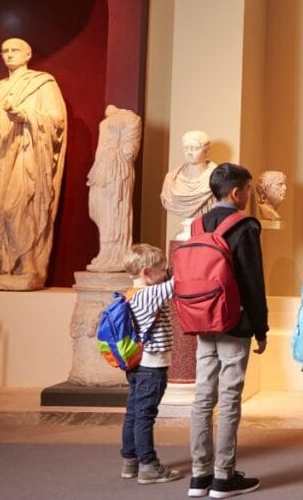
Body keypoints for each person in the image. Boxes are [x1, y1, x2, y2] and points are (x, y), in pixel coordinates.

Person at [187, 163, 268, 499]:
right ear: (236, 192)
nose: (248, 195)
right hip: (235, 321)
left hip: (202, 317)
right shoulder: (244, 226)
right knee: (230, 395)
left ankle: (199, 475)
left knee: (203, 396)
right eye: (247, 189)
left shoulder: (198, 224)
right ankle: (223, 476)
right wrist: (261, 327)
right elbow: (253, 280)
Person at [0, 37, 67, 282]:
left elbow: (56, 120)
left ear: (28, 54)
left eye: (14, 50)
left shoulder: (43, 83)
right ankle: (2, 264)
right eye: (4, 51)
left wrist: (25, 116)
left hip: (25, 155)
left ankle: (27, 264)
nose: (9, 54)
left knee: (14, 207)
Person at [119, 243, 183, 485]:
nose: (165, 273)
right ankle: (148, 466)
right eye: (162, 269)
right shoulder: (149, 294)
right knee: (145, 416)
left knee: (133, 413)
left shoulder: (130, 294)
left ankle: (130, 461)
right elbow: (179, 283)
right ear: (146, 272)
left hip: (136, 364)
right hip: (152, 366)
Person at [87, 105, 142, 272]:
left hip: (118, 168)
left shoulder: (129, 117)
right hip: (102, 168)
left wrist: (124, 154)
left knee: (114, 211)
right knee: (99, 210)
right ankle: (106, 253)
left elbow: (130, 146)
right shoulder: (107, 122)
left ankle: (117, 255)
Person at [160, 130, 217, 240]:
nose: (189, 152)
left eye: (194, 148)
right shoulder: (171, 178)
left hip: (205, 234)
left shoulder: (217, 179)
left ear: (206, 152)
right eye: (186, 148)